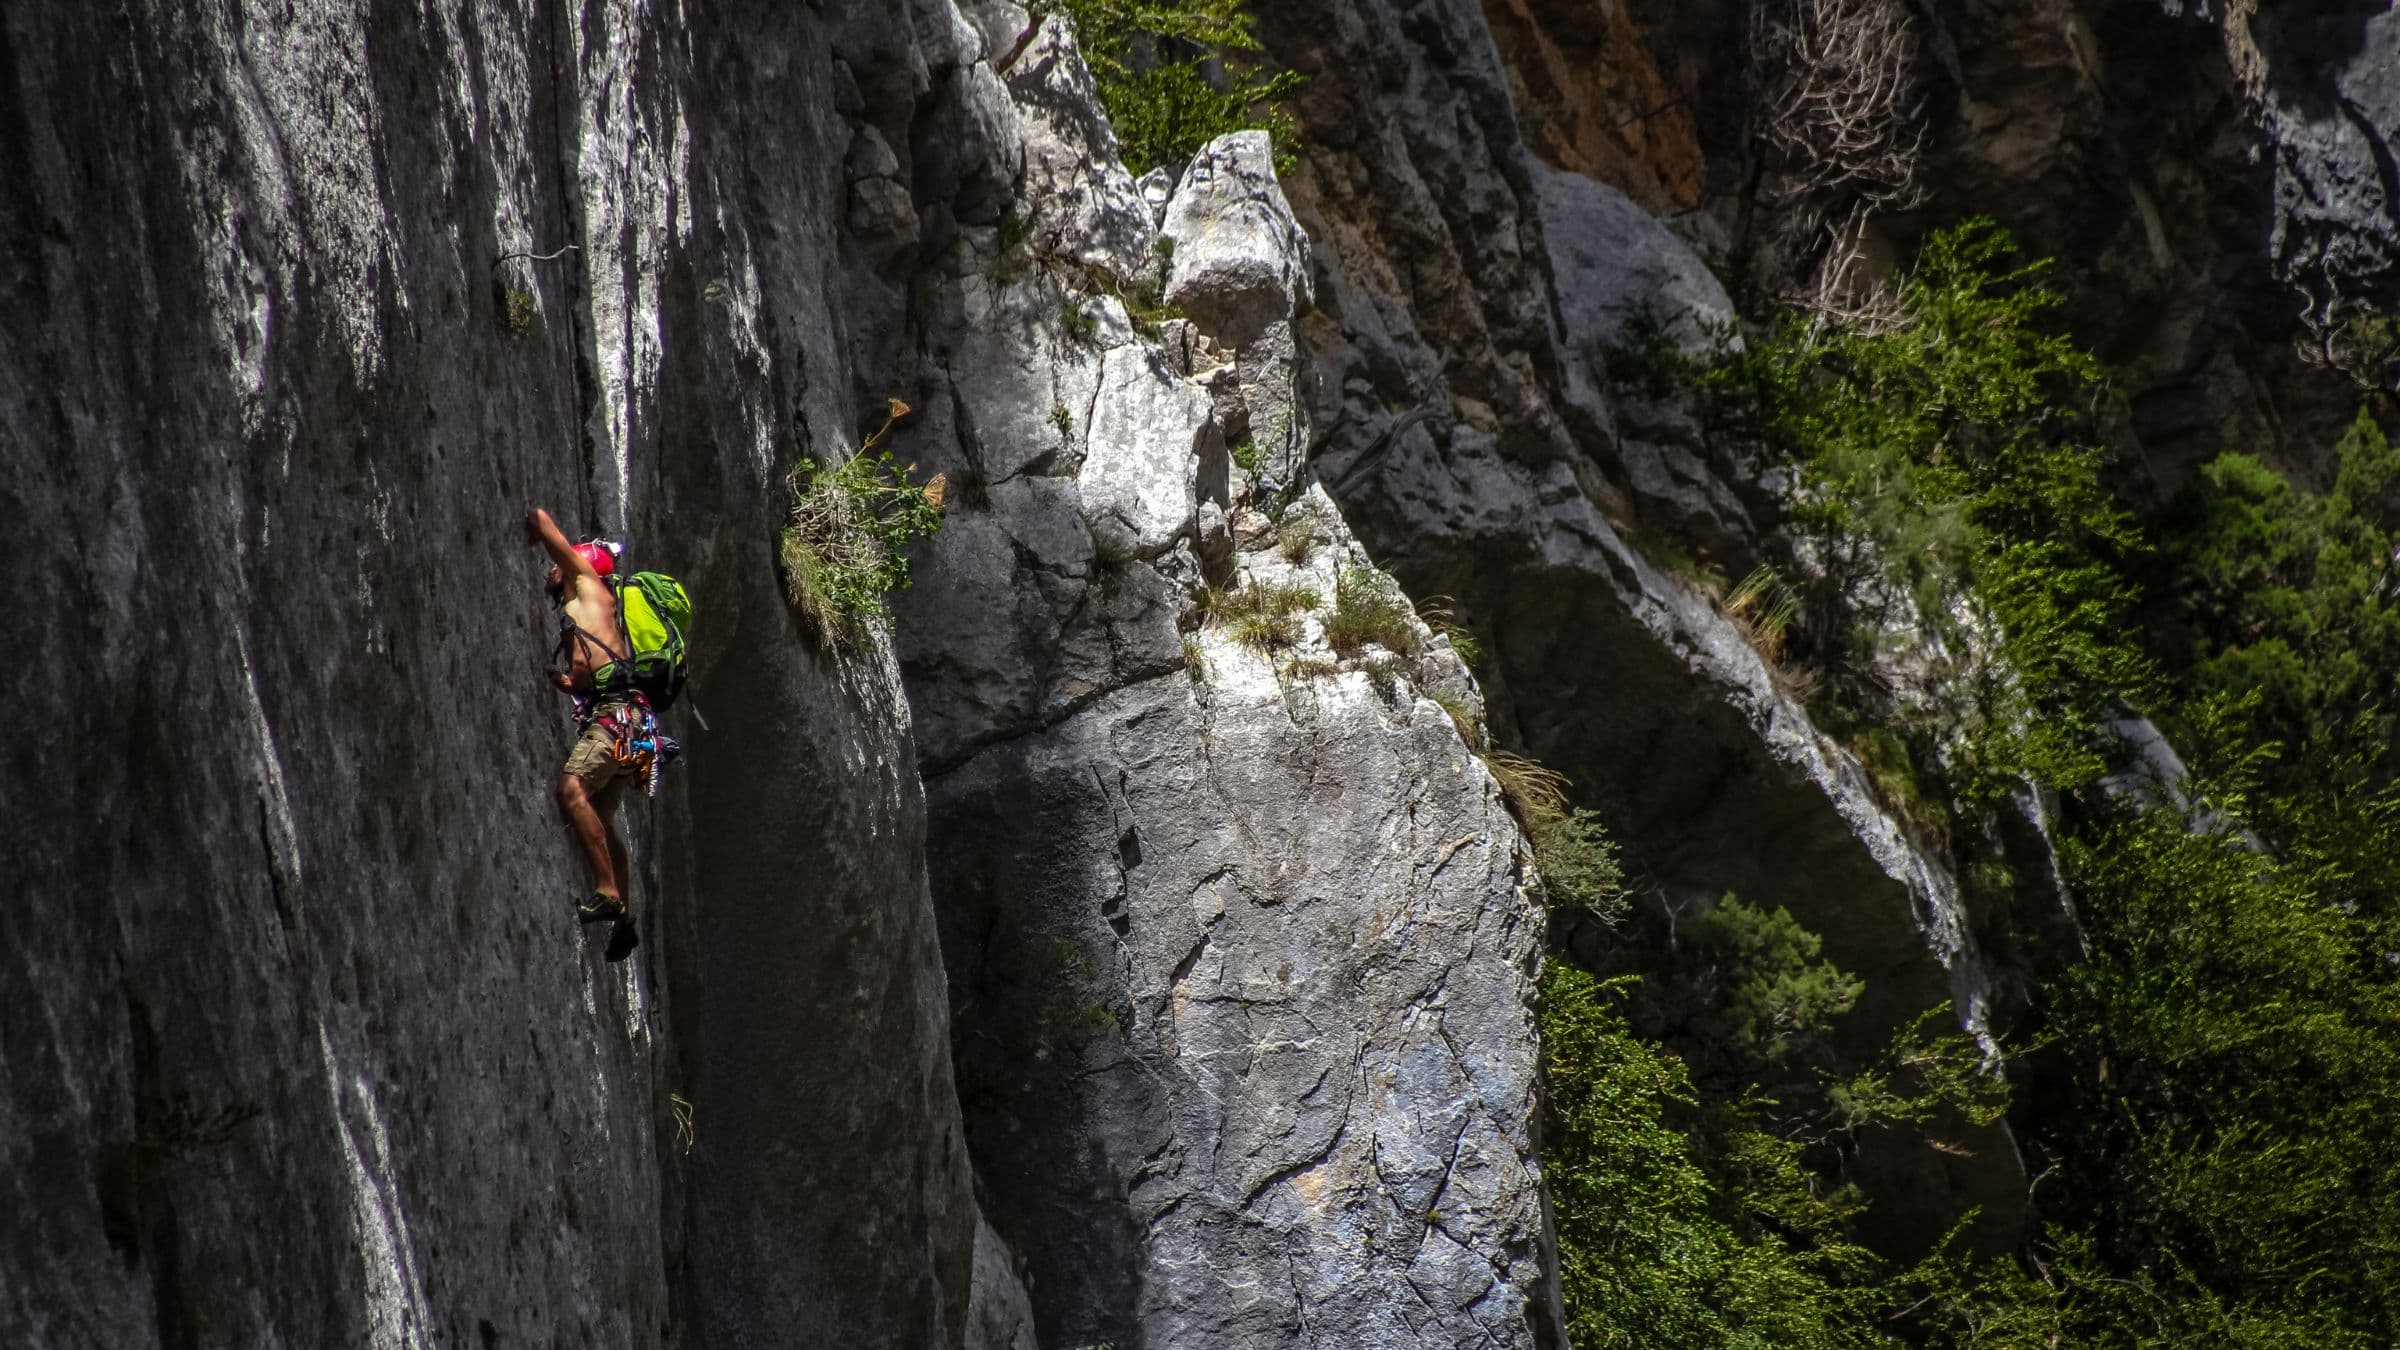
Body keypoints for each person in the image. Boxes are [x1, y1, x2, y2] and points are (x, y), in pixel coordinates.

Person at [525, 505, 648, 962]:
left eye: (557, 566)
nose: (550, 573)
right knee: (601, 815)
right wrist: (571, 684)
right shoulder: (595, 608)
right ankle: (626, 920)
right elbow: (595, 669)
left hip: (615, 719)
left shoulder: (585, 581)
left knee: (571, 793)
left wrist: (528, 531)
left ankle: (607, 892)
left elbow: (540, 519)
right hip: (629, 723)